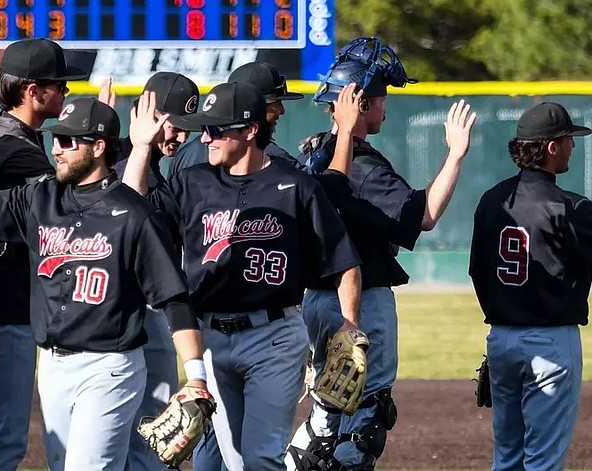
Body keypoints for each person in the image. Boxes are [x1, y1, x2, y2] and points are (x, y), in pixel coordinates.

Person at [0, 96, 210, 471]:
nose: (56, 149)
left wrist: (196, 376)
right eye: (55, 139)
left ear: (98, 147)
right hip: (53, 367)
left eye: (68, 141)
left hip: (109, 368)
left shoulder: (134, 214)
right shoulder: (41, 198)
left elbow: (173, 298)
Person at [123, 83, 362, 470]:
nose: (205, 138)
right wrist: (140, 148)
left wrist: (349, 324)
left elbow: (343, 262)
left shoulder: (296, 186)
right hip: (211, 337)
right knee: (234, 460)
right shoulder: (193, 182)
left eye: (215, 129)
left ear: (250, 130)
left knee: (261, 457)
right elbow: (131, 215)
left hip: (274, 337)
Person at [287, 37, 477, 471]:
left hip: (315, 302)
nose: (385, 108)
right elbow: (423, 216)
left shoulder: (312, 154)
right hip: (359, 303)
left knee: (327, 413)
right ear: (360, 103)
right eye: (379, 99)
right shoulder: (364, 168)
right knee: (364, 421)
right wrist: (455, 155)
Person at [0, 38, 88, 471]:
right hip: (2, 308)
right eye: (60, 86)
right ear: (33, 91)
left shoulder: (7, 133)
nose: (66, 92)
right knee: (3, 440)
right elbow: (70, 205)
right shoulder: (12, 149)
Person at [469, 102, 591, 471]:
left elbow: (477, 272)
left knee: (507, 458)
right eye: (568, 140)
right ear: (552, 147)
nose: (572, 146)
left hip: (501, 340)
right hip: (550, 344)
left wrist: (504, 315)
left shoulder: (492, 201)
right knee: (543, 462)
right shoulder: (572, 209)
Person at [111, 71, 201, 471]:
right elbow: (127, 211)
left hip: (154, 317)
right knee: (137, 443)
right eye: (173, 124)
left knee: (150, 443)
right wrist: (139, 145)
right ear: (145, 115)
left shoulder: (157, 173)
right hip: (131, 318)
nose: (180, 136)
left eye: (186, 127)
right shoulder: (123, 166)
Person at [167, 60, 304, 177]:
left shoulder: (186, 154)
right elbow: (307, 185)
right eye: (276, 103)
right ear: (256, 105)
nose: (281, 110)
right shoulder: (267, 156)